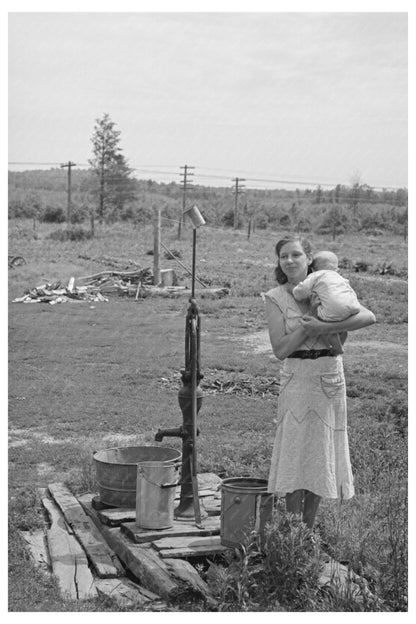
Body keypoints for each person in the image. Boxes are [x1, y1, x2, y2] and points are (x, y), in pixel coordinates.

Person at [264, 235, 375, 529]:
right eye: (283, 256)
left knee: (319, 455)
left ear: (309, 259)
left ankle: (308, 532)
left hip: (328, 376)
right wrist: (308, 322)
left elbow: (368, 317)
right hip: (296, 377)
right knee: (295, 454)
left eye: (296, 255)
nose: (289, 261)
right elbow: (280, 350)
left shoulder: (331, 286)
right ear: (278, 261)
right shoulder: (275, 297)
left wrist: (326, 326)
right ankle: (291, 532)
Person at [291, 250, 361, 355]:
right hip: (353, 306)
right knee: (342, 329)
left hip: (334, 309)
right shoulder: (339, 277)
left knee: (324, 325)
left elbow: (303, 289)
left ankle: (337, 348)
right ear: (337, 269)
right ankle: (340, 342)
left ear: (313, 269)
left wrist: (296, 293)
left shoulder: (316, 275)